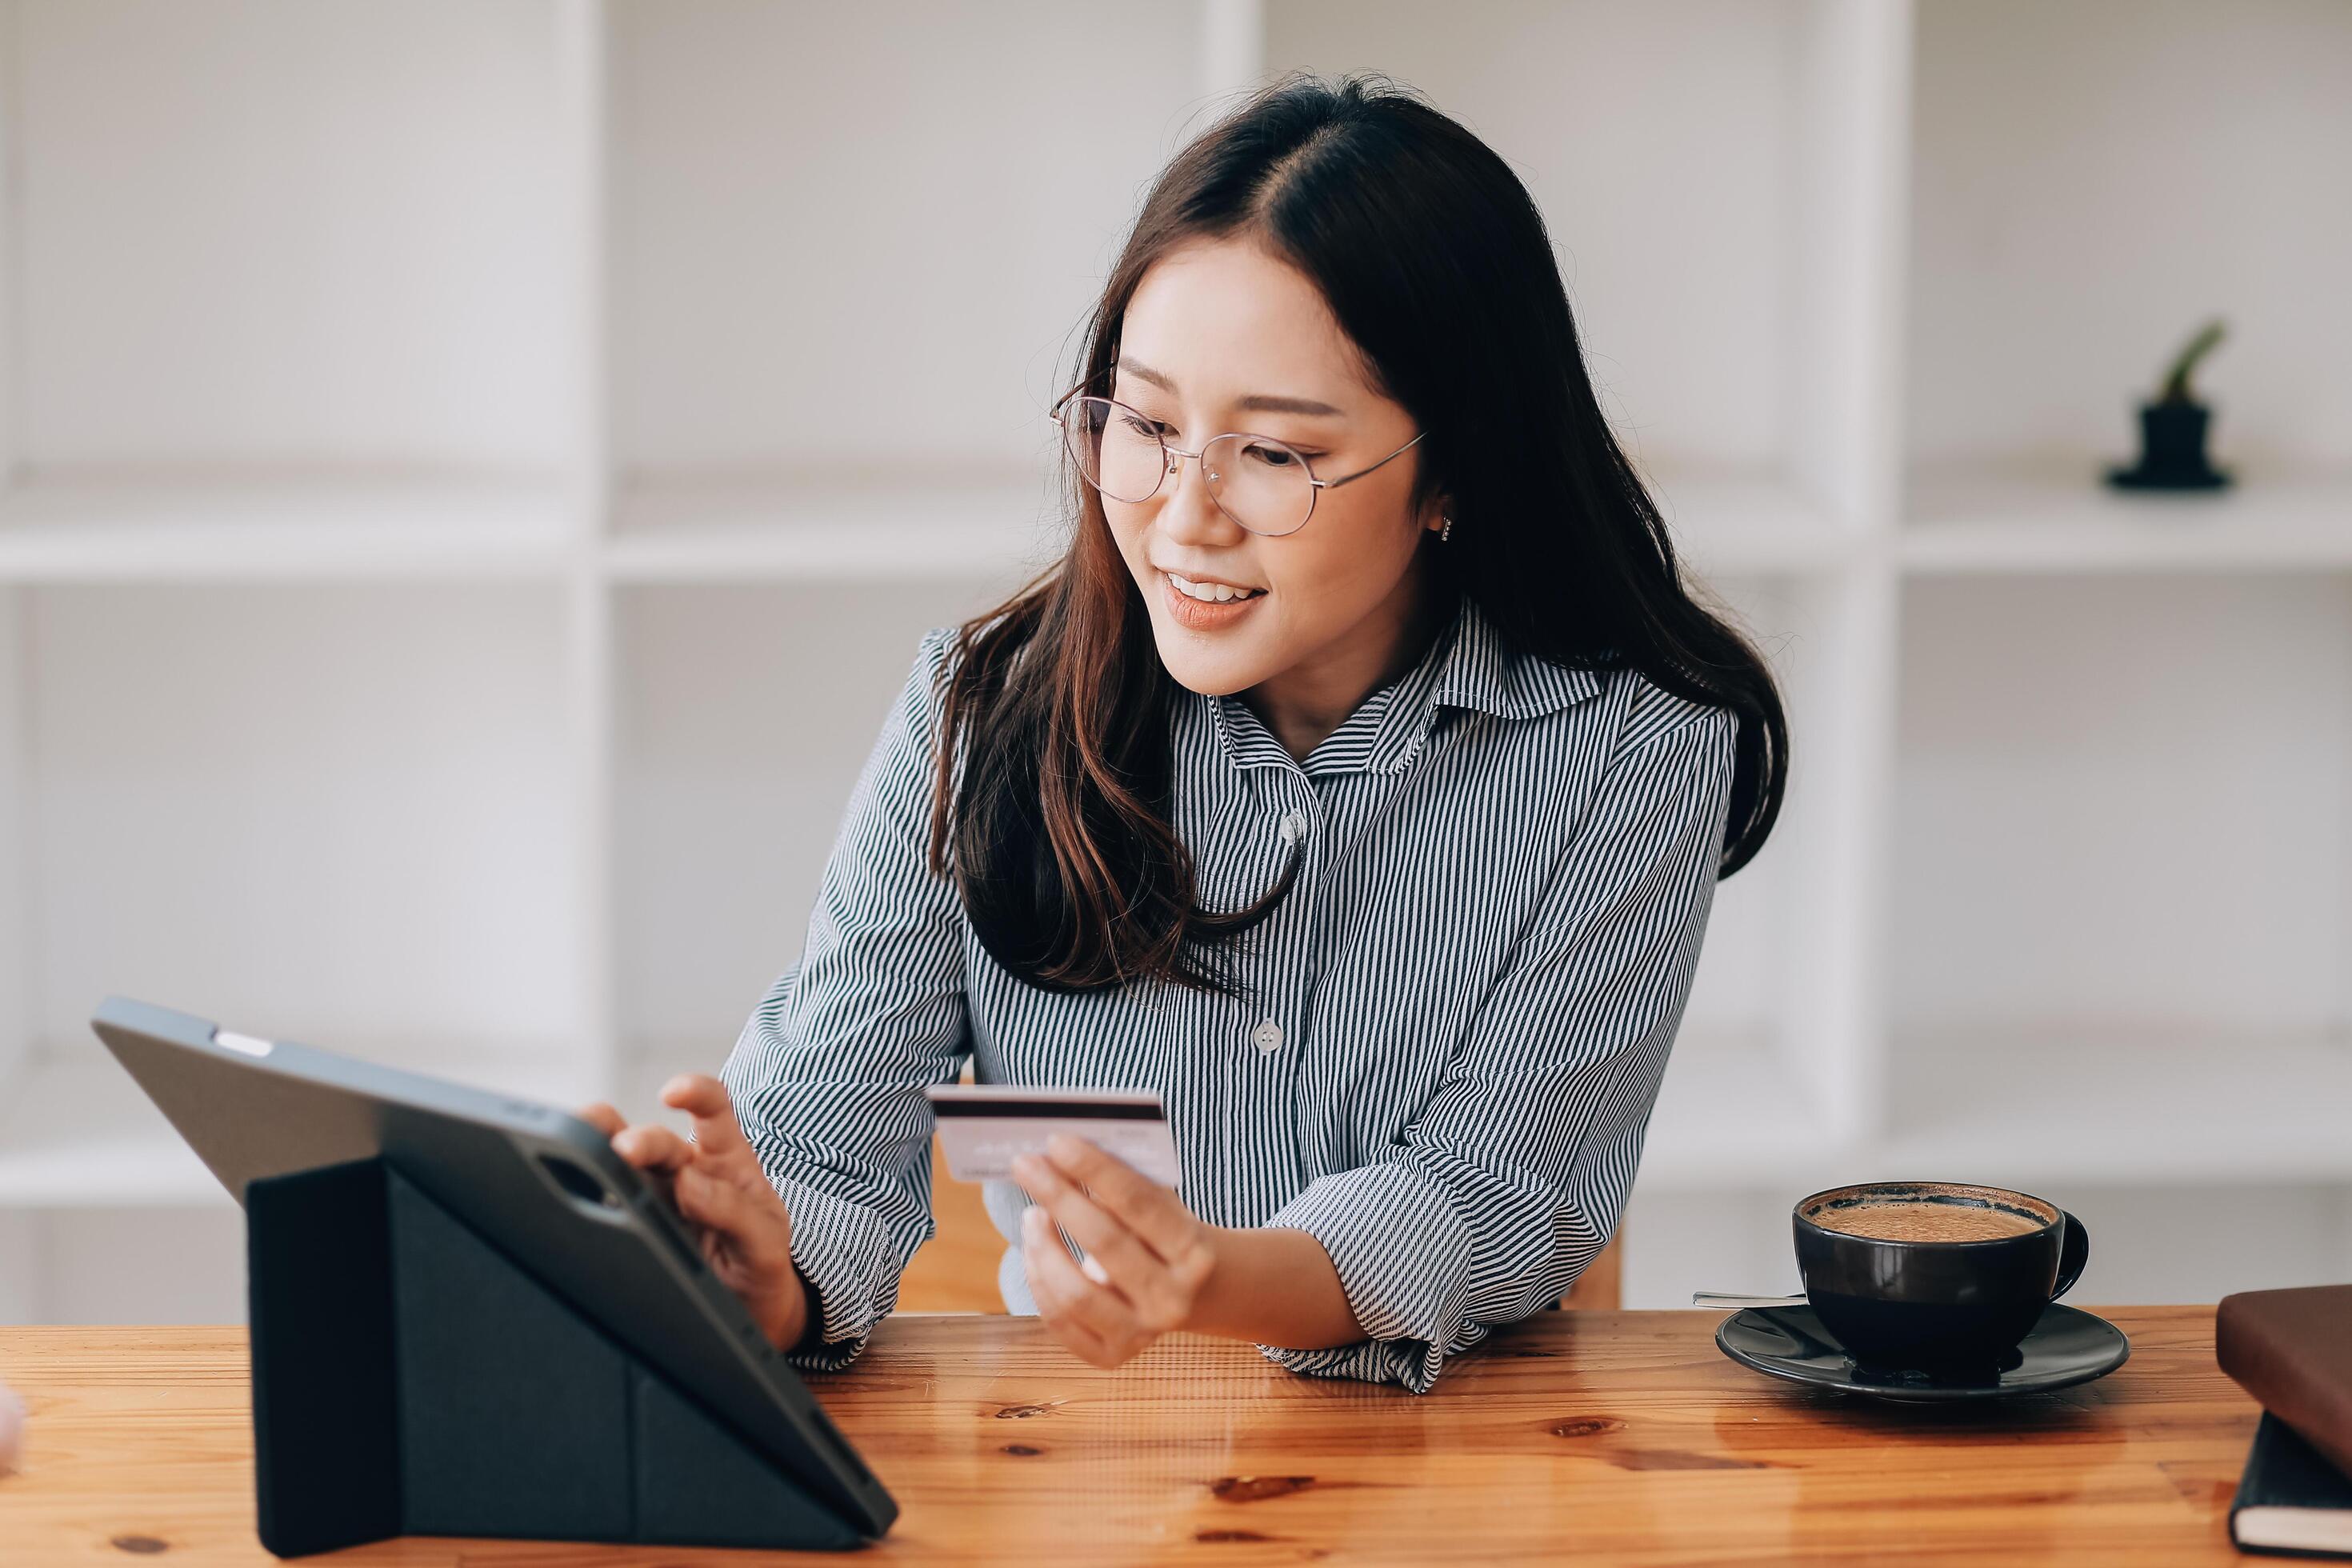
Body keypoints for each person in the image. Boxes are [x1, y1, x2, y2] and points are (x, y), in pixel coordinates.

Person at [584, 70, 1786, 1394]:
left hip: (1447, 1464)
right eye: (1146, 424)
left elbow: (1501, 1190)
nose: (1181, 515)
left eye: (1273, 454)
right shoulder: (984, 711)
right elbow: (825, 1135)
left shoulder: (1632, 749)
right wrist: (758, 1274)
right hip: (1070, 1457)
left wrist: (1218, 1280)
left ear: (1455, 474)